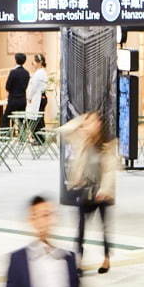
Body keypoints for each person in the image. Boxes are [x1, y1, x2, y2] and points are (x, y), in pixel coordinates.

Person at [58, 111, 119, 274]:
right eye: (88, 122)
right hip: (84, 191)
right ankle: (78, 261)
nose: (90, 125)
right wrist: (80, 121)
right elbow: (63, 131)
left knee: (104, 228)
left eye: (93, 121)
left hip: (102, 194)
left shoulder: (108, 144)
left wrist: (104, 190)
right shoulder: (81, 139)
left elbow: (109, 170)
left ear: (99, 124)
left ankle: (106, 259)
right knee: (80, 228)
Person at [25, 53, 49, 144]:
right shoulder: (41, 72)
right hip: (39, 98)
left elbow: (34, 87)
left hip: (38, 98)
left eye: (35, 61)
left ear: (40, 62)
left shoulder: (39, 73)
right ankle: (39, 138)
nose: (33, 63)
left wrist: (29, 97)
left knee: (37, 119)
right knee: (38, 118)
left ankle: (39, 139)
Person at [4, 53, 30, 130]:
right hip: (22, 99)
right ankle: (22, 137)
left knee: (6, 118)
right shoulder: (26, 73)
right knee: (21, 119)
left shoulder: (13, 72)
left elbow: (7, 87)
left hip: (13, 100)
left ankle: (5, 136)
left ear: (16, 60)